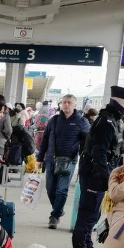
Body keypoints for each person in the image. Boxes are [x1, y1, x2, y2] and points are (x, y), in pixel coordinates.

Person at [73, 86, 124, 248]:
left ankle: (86, 244)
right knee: (88, 212)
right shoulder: (106, 123)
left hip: (99, 172)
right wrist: (106, 179)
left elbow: (116, 148)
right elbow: (99, 153)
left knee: (94, 212)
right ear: (117, 102)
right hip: (94, 173)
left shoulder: (114, 120)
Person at [38, 94, 91, 230]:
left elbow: (87, 141)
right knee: (50, 189)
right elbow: (45, 140)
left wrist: (85, 159)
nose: (66, 105)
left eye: (69, 102)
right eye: (64, 102)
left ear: (75, 105)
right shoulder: (54, 120)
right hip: (51, 159)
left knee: (62, 190)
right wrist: (40, 158)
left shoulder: (81, 121)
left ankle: (54, 216)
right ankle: (59, 209)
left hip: (69, 160)